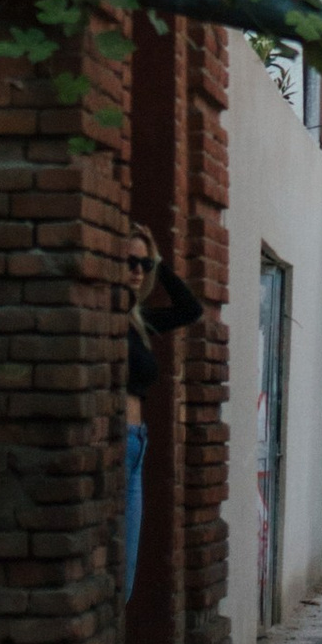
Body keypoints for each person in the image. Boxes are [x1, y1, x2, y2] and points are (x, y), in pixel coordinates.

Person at [123, 225, 200, 602]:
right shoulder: (109, 318)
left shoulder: (138, 321)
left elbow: (190, 309)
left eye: (143, 263)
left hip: (136, 445)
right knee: (117, 570)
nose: (138, 270)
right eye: (129, 261)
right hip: (118, 443)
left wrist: (160, 263)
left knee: (127, 571)